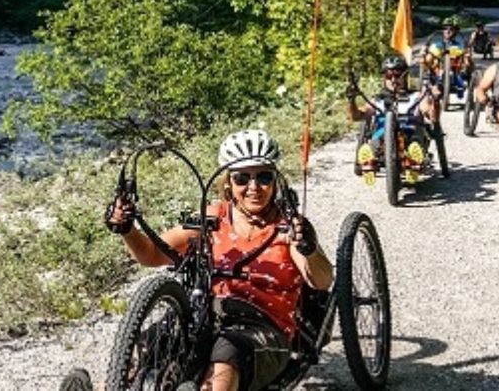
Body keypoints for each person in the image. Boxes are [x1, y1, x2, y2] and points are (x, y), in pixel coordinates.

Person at [102, 130, 333, 391]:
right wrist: (127, 229)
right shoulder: (210, 218)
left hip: (263, 328)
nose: (254, 187)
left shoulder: (289, 227)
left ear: (275, 180)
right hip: (204, 316)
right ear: (228, 183)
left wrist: (309, 248)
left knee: (224, 366)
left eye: (264, 177)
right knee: (139, 356)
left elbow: (322, 280)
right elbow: (151, 254)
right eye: (242, 178)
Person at [350, 55, 439, 173]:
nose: (393, 80)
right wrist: (351, 100)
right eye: (388, 76)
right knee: (375, 143)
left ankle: (414, 157)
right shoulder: (378, 100)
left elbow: (432, 116)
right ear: (384, 78)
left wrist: (436, 101)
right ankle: (370, 158)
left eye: (397, 75)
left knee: (415, 141)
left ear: (405, 76)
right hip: (382, 137)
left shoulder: (416, 97)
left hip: (410, 133)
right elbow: (357, 116)